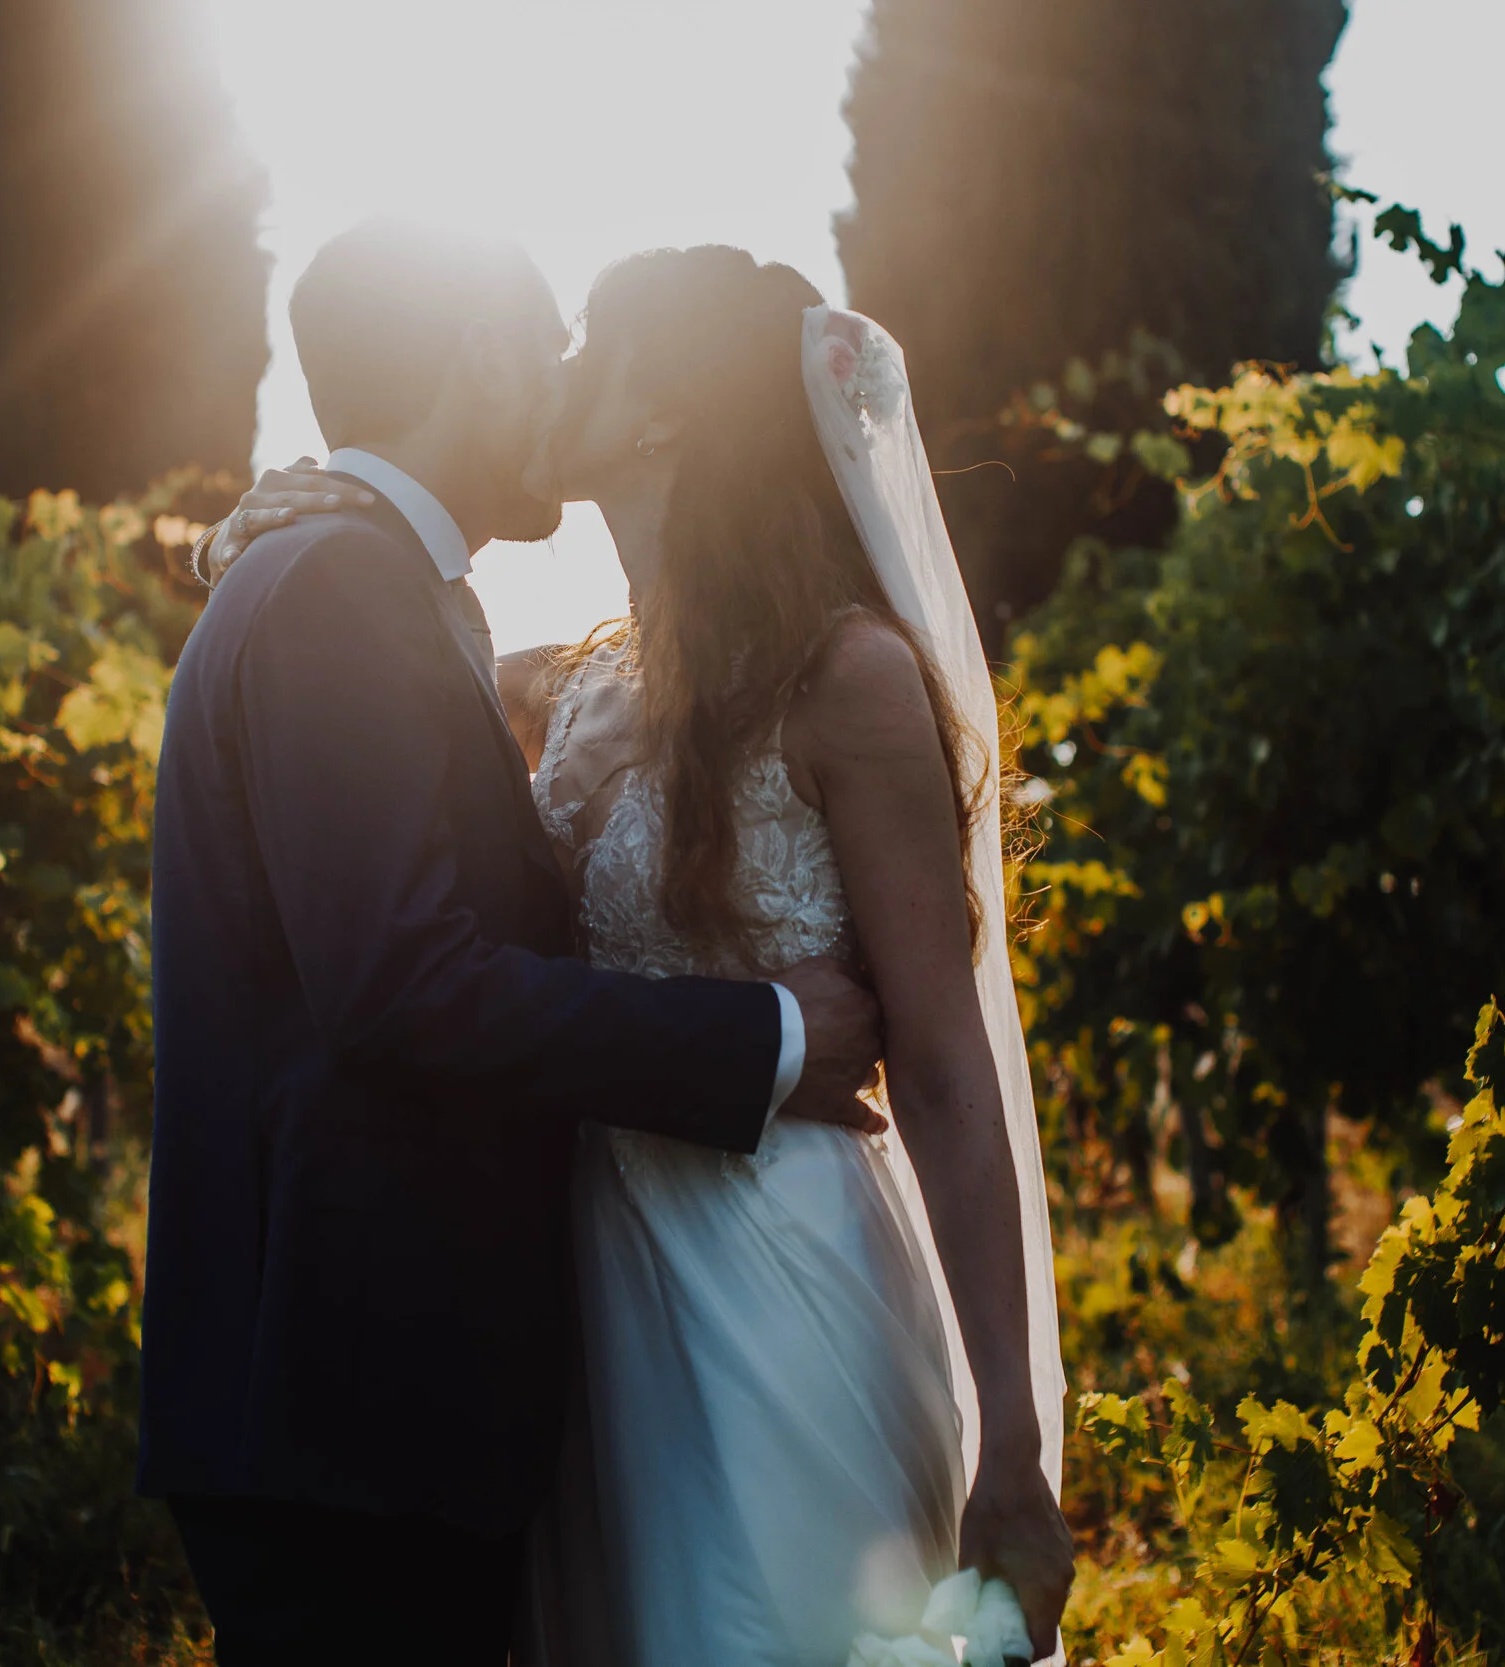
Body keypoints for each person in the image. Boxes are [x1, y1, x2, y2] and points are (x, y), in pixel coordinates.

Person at [206, 244, 1076, 1666]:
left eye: (583, 344)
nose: (542, 371)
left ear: (663, 411)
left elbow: (946, 1070)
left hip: (779, 1286)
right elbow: (388, 756)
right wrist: (327, 497)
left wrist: (1015, 1443)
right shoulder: (590, 679)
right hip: (592, 1305)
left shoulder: (847, 678)